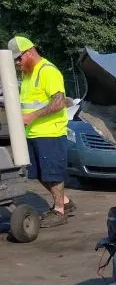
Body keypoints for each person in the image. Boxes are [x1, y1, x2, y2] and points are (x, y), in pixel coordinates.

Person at [8, 36, 76, 227]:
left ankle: (59, 211)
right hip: (33, 133)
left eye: (19, 59)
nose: (17, 63)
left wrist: (31, 117)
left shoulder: (48, 71)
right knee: (39, 173)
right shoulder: (28, 74)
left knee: (52, 174)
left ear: (29, 52)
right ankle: (66, 202)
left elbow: (59, 102)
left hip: (50, 133)